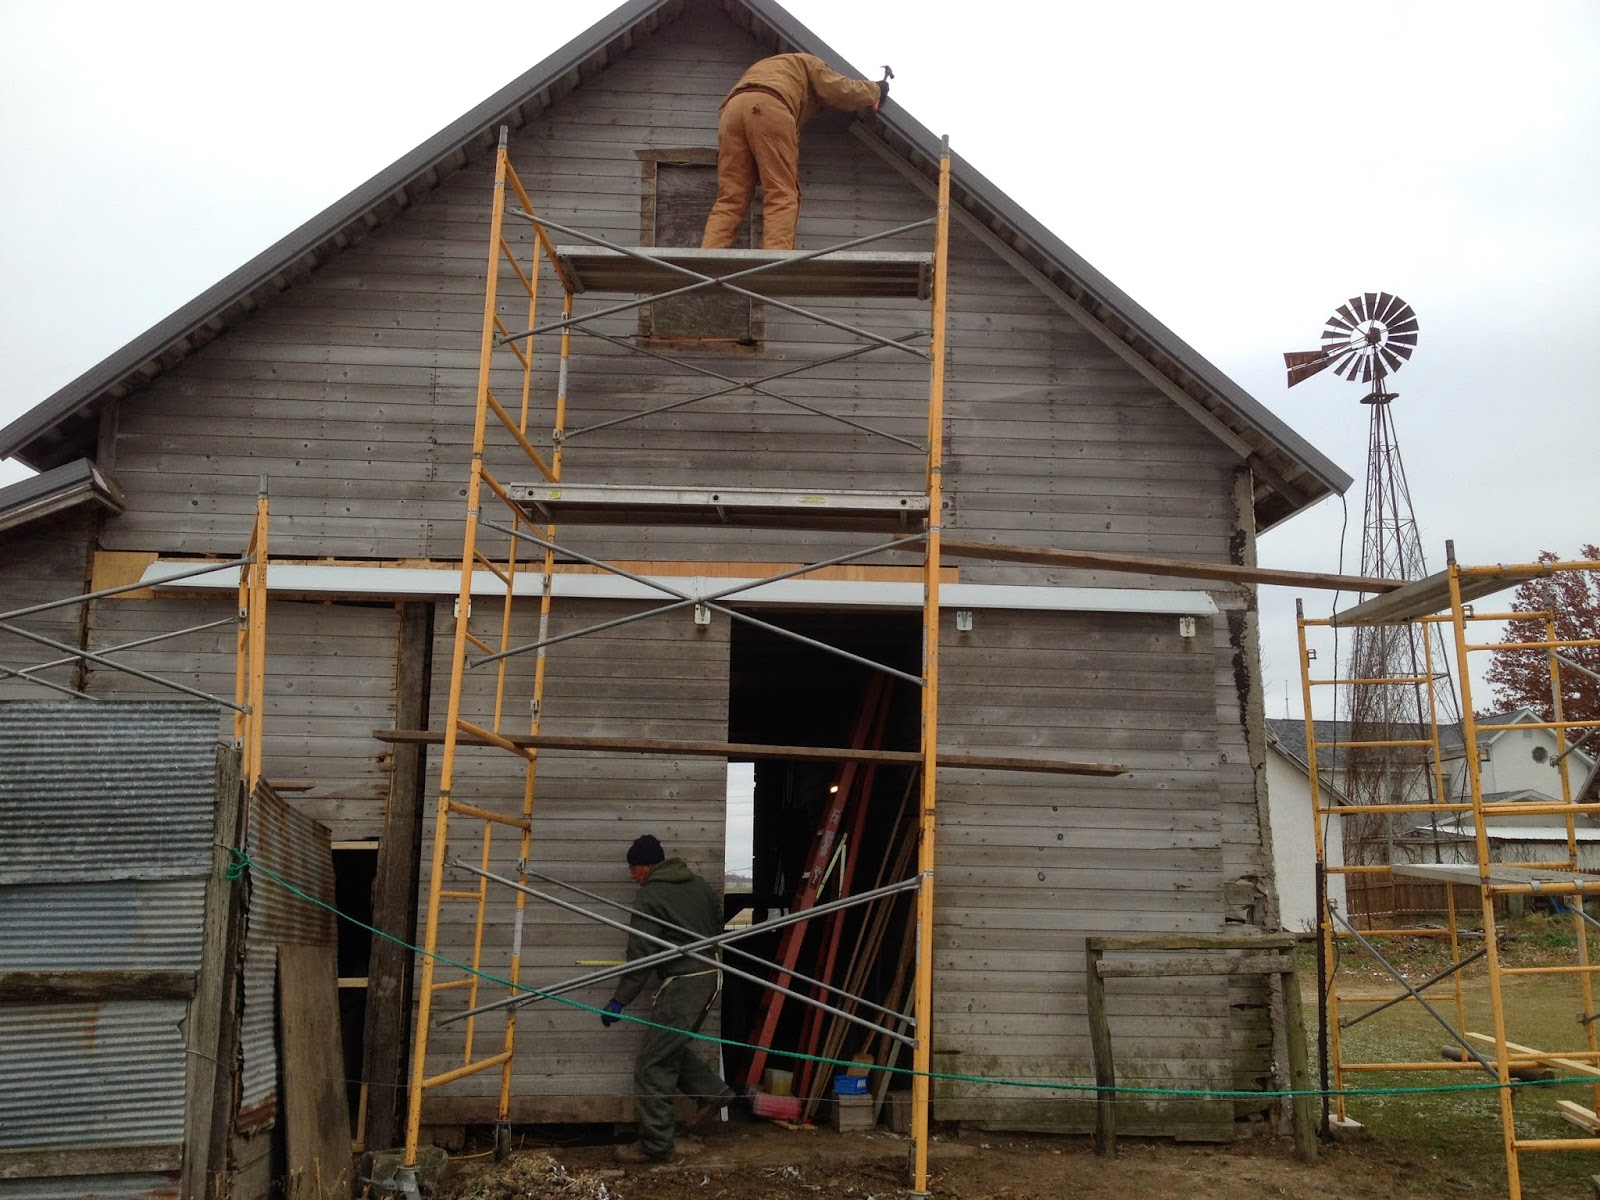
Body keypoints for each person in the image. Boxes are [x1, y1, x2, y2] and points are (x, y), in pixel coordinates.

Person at [601, 834, 737, 1164]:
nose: (631, 875)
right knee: (667, 1048)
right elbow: (718, 925)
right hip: (711, 978)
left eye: (633, 868)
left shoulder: (651, 896)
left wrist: (620, 999)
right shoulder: (700, 886)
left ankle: (656, 1145)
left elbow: (640, 956)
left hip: (683, 984)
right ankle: (712, 1092)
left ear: (647, 866)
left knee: (652, 1063)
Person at [700, 53, 886, 252]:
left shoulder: (763, 67)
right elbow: (839, 89)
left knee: (731, 197)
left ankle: (708, 256)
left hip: (731, 112)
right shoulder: (808, 62)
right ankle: (776, 259)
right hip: (770, 106)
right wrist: (875, 90)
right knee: (781, 192)